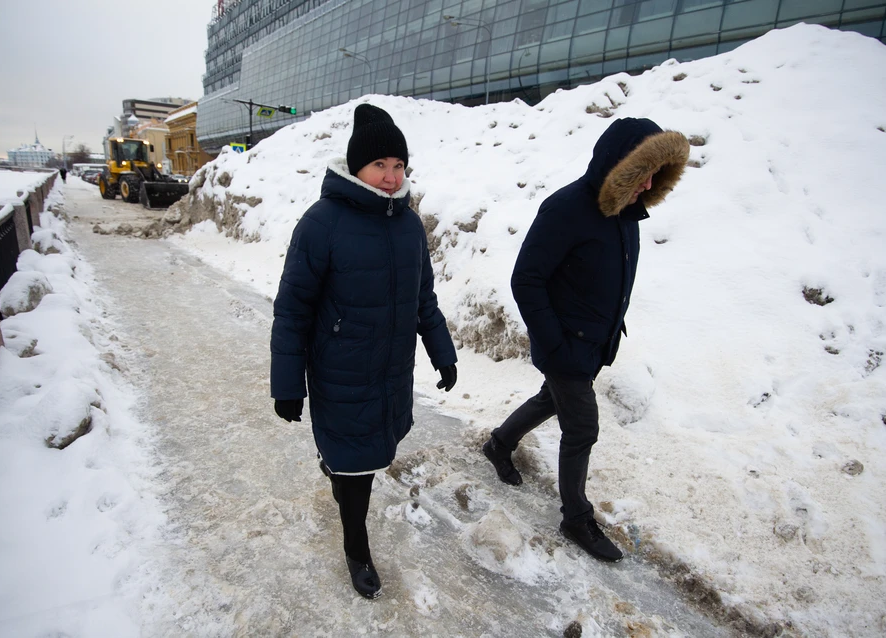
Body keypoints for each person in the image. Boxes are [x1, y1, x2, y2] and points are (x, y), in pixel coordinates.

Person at [270, 103, 458, 599]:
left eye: (399, 166)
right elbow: (292, 309)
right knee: (356, 469)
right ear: (357, 168)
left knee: (371, 453)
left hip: (391, 371)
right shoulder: (322, 222)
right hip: (341, 371)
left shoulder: (410, 225)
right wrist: (287, 385)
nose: (392, 177)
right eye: (380, 165)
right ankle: (357, 547)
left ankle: (338, 470)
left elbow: (423, 299)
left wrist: (443, 352)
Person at [482, 117, 689, 563]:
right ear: (619, 165)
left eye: (656, 174)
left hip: (593, 343)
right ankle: (576, 517)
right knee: (582, 428)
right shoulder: (567, 208)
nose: (649, 183)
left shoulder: (627, 211)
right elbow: (527, 279)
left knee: (550, 400)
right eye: (642, 172)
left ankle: (499, 443)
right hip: (566, 344)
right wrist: (554, 344)